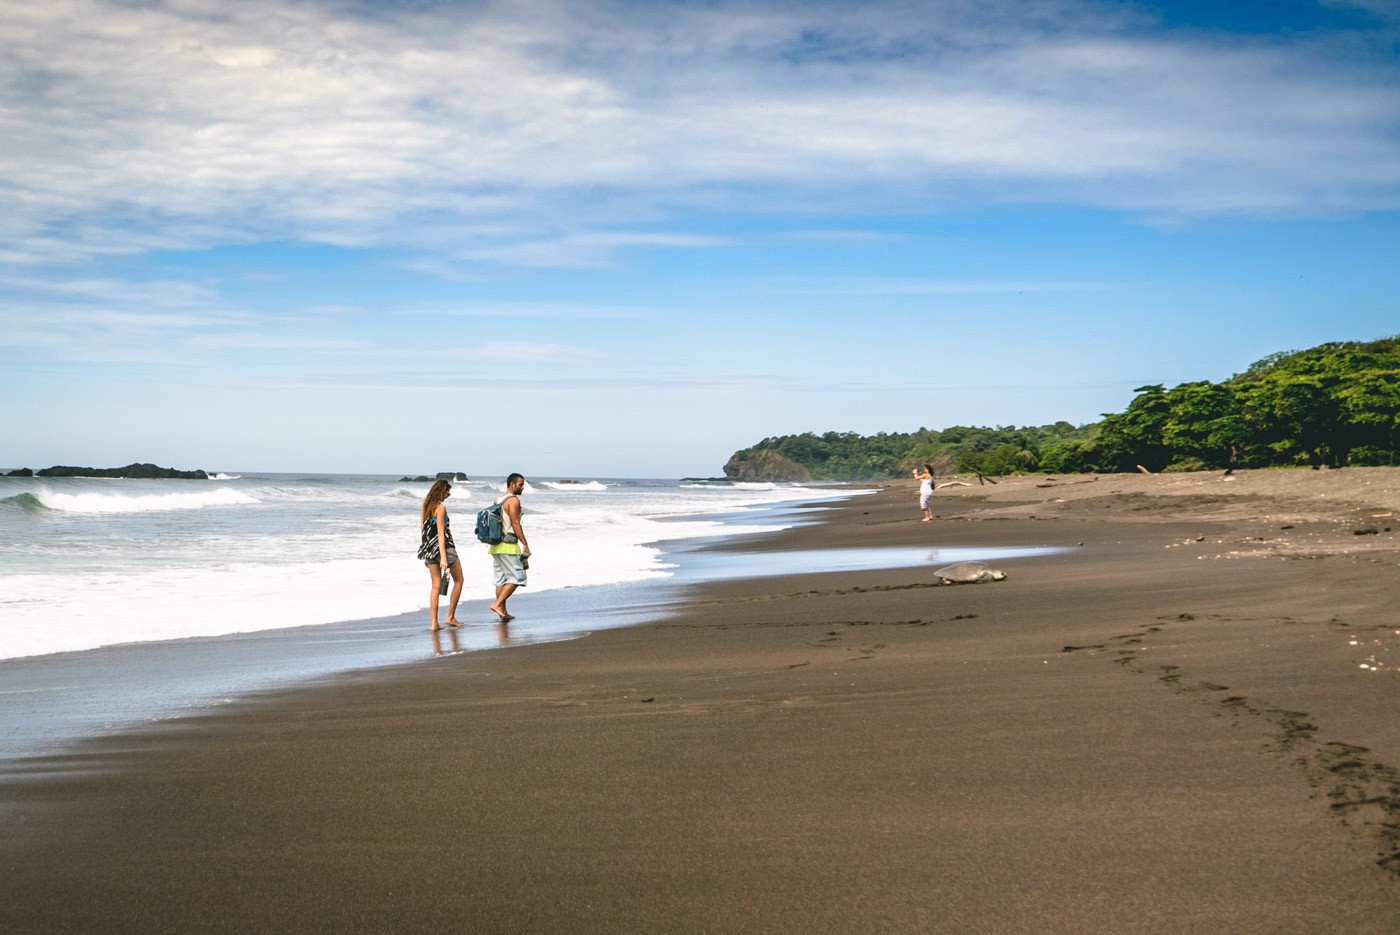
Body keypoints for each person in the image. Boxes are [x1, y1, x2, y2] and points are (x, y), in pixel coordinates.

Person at [417, 479, 464, 631]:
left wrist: (426, 553)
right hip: (445, 549)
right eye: (447, 491)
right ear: (441, 491)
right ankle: (450, 617)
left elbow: (423, 533)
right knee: (459, 580)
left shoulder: (425, 508)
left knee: (435, 586)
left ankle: (434, 623)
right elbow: (441, 534)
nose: (449, 494)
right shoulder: (440, 508)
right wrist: (443, 557)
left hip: (429, 550)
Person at [487, 473, 531, 623]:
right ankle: (497, 604)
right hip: (509, 545)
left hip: (496, 545)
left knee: (501, 579)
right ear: (512, 484)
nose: (522, 487)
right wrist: (525, 543)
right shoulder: (513, 500)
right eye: (520, 484)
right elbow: (515, 523)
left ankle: (503, 613)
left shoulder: (498, 499)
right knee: (518, 577)